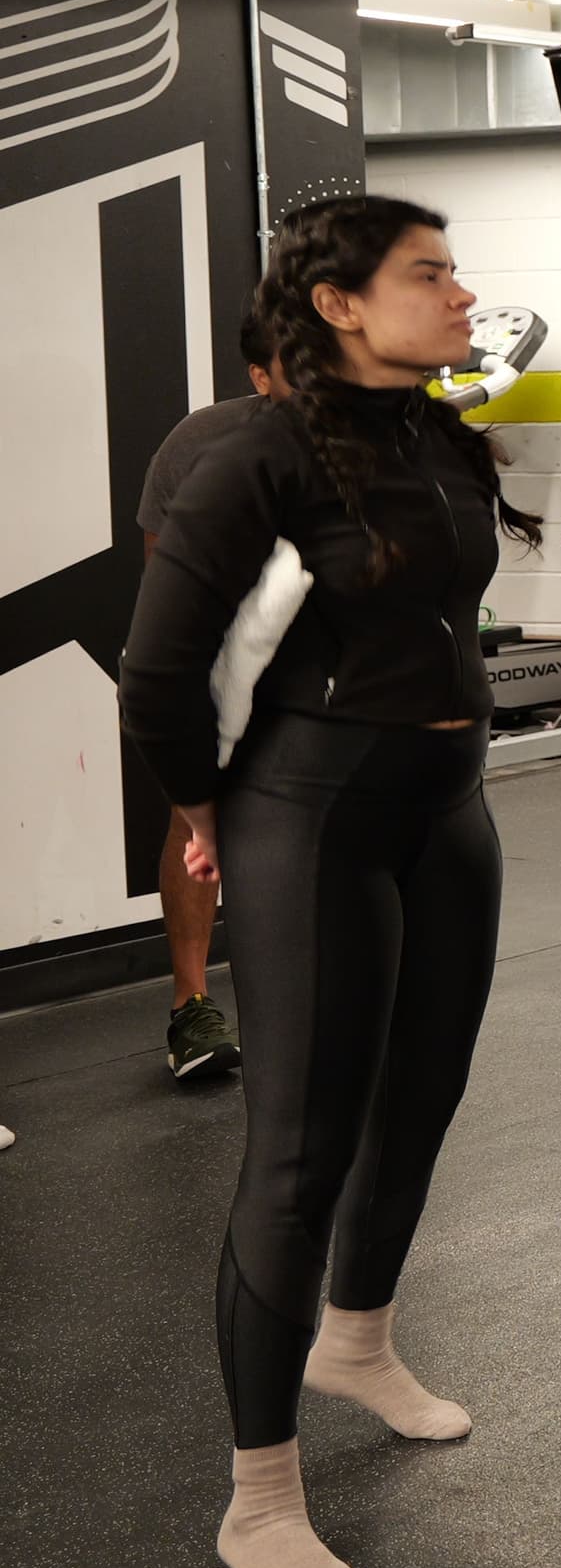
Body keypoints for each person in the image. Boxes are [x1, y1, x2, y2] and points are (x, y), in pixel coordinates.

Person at [117, 195, 544, 1568]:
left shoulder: (433, 432)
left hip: (447, 809)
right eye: (431, 275)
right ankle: (260, 1500)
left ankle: (357, 1341)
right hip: (311, 817)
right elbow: (163, 673)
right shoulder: (255, 454)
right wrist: (203, 811)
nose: (462, 295)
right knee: (298, 1156)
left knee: (421, 1096)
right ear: (341, 305)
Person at [128, 289, 284, 1081]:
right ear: (262, 376)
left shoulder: (377, 438)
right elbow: (167, 586)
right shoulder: (200, 445)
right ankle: (191, 1008)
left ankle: (324, 995)